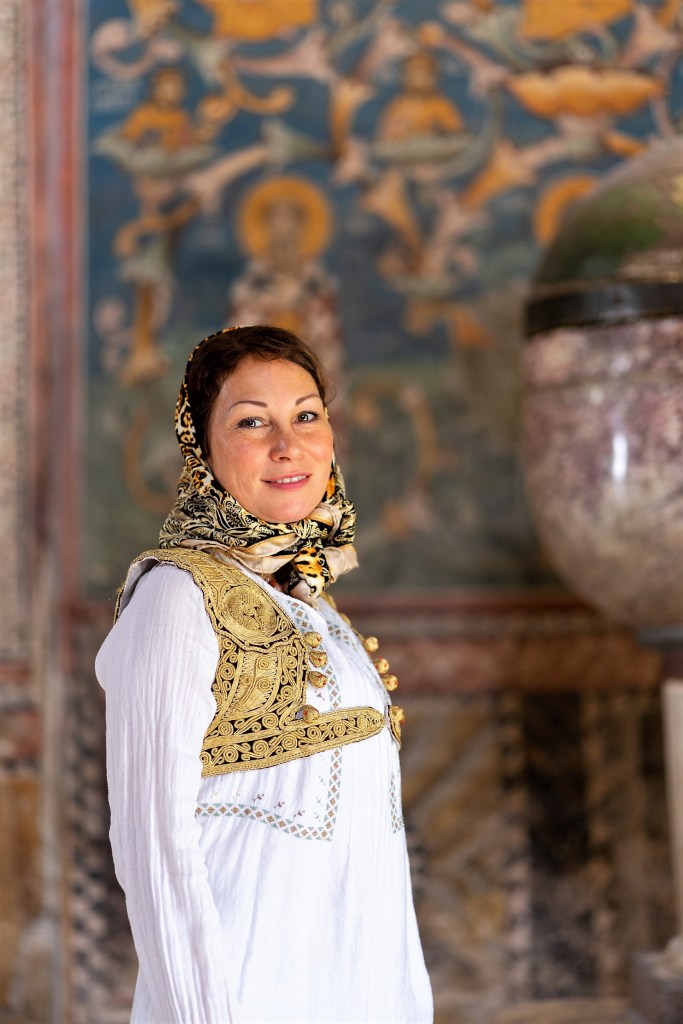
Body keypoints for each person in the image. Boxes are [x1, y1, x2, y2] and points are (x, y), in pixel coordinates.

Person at [96, 324, 433, 1023]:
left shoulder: (316, 609)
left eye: (306, 415)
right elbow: (153, 851)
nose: (288, 444)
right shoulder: (176, 598)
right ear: (201, 448)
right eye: (252, 421)